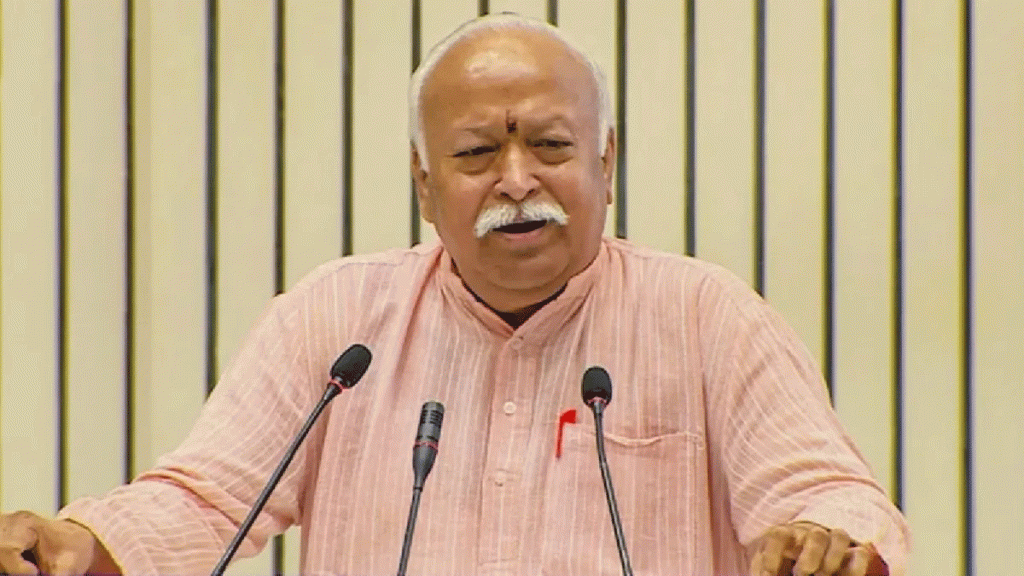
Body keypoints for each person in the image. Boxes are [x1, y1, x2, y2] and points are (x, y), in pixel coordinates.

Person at [0, 13, 908, 576]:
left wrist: (824, 538)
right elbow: (206, 501)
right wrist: (78, 543)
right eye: (476, 154)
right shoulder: (337, 323)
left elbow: (823, 493)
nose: (516, 180)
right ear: (425, 185)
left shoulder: (708, 319)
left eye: (550, 146)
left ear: (606, 162)